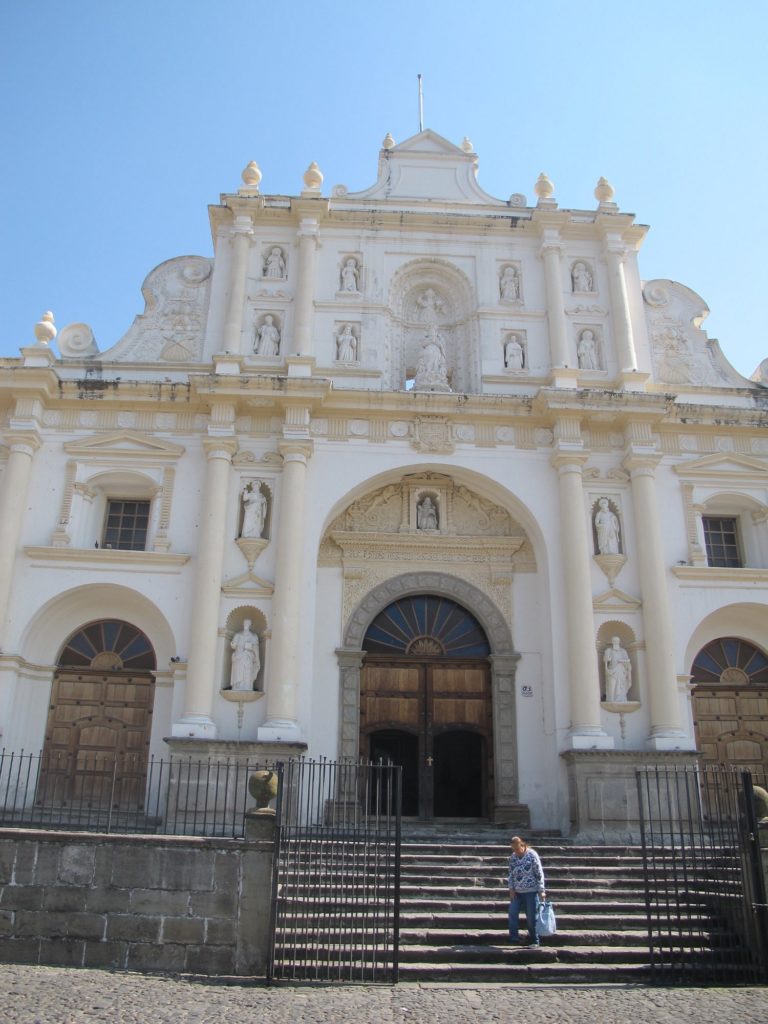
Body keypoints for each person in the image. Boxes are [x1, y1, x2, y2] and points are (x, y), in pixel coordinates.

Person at [508, 835, 547, 947]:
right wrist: (511, 889)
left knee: (531, 916)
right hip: (517, 891)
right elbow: (510, 874)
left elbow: (539, 873)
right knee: (513, 913)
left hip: (531, 891)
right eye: (513, 849)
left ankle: (535, 939)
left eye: (517, 848)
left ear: (522, 845)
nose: (516, 851)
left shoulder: (532, 855)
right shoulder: (513, 857)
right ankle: (513, 938)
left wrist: (541, 890)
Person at [229, 620, 260, 691]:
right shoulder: (238, 635)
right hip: (238, 657)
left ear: (250, 625)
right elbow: (234, 645)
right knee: (238, 672)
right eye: (245, 623)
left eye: (247, 623)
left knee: (247, 672)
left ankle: (247, 686)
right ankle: (237, 686)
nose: (246, 624)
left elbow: (256, 648)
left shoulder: (253, 636)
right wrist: (233, 645)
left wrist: (250, 647)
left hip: (248, 657)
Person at [604, 637, 632, 701]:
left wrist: (622, 661)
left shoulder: (623, 651)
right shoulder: (609, 650)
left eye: (617, 640)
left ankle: (621, 699)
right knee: (611, 687)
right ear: (612, 641)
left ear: (619, 641)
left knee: (621, 686)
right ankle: (611, 699)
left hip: (621, 671)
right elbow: (606, 660)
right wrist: (607, 659)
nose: (616, 641)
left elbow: (628, 661)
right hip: (611, 670)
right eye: (614, 640)